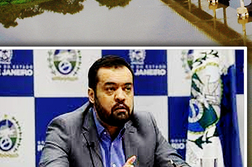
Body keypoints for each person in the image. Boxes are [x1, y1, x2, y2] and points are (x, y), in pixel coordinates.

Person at [39, 55, 189, 167]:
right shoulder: (65, 128)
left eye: (127, 89)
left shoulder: (145, 124)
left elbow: (175, 163)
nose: (121, 97)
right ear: (92, 95)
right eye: (111, 89)